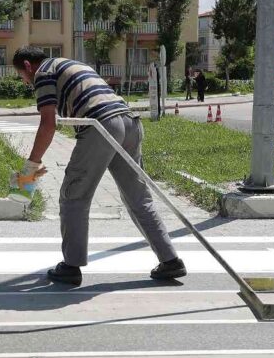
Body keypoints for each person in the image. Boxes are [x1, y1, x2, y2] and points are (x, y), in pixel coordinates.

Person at [12, 46, 186, 286]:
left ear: (28, 66)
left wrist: (31, 165)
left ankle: (71, 266)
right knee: (139, 198)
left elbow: (48, 123)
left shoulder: (43, 72)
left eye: (22, 76)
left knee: (73, 196)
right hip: (130, 123)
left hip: (101, 125)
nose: (25, 82)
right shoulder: (71, 64)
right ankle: (170, 260)